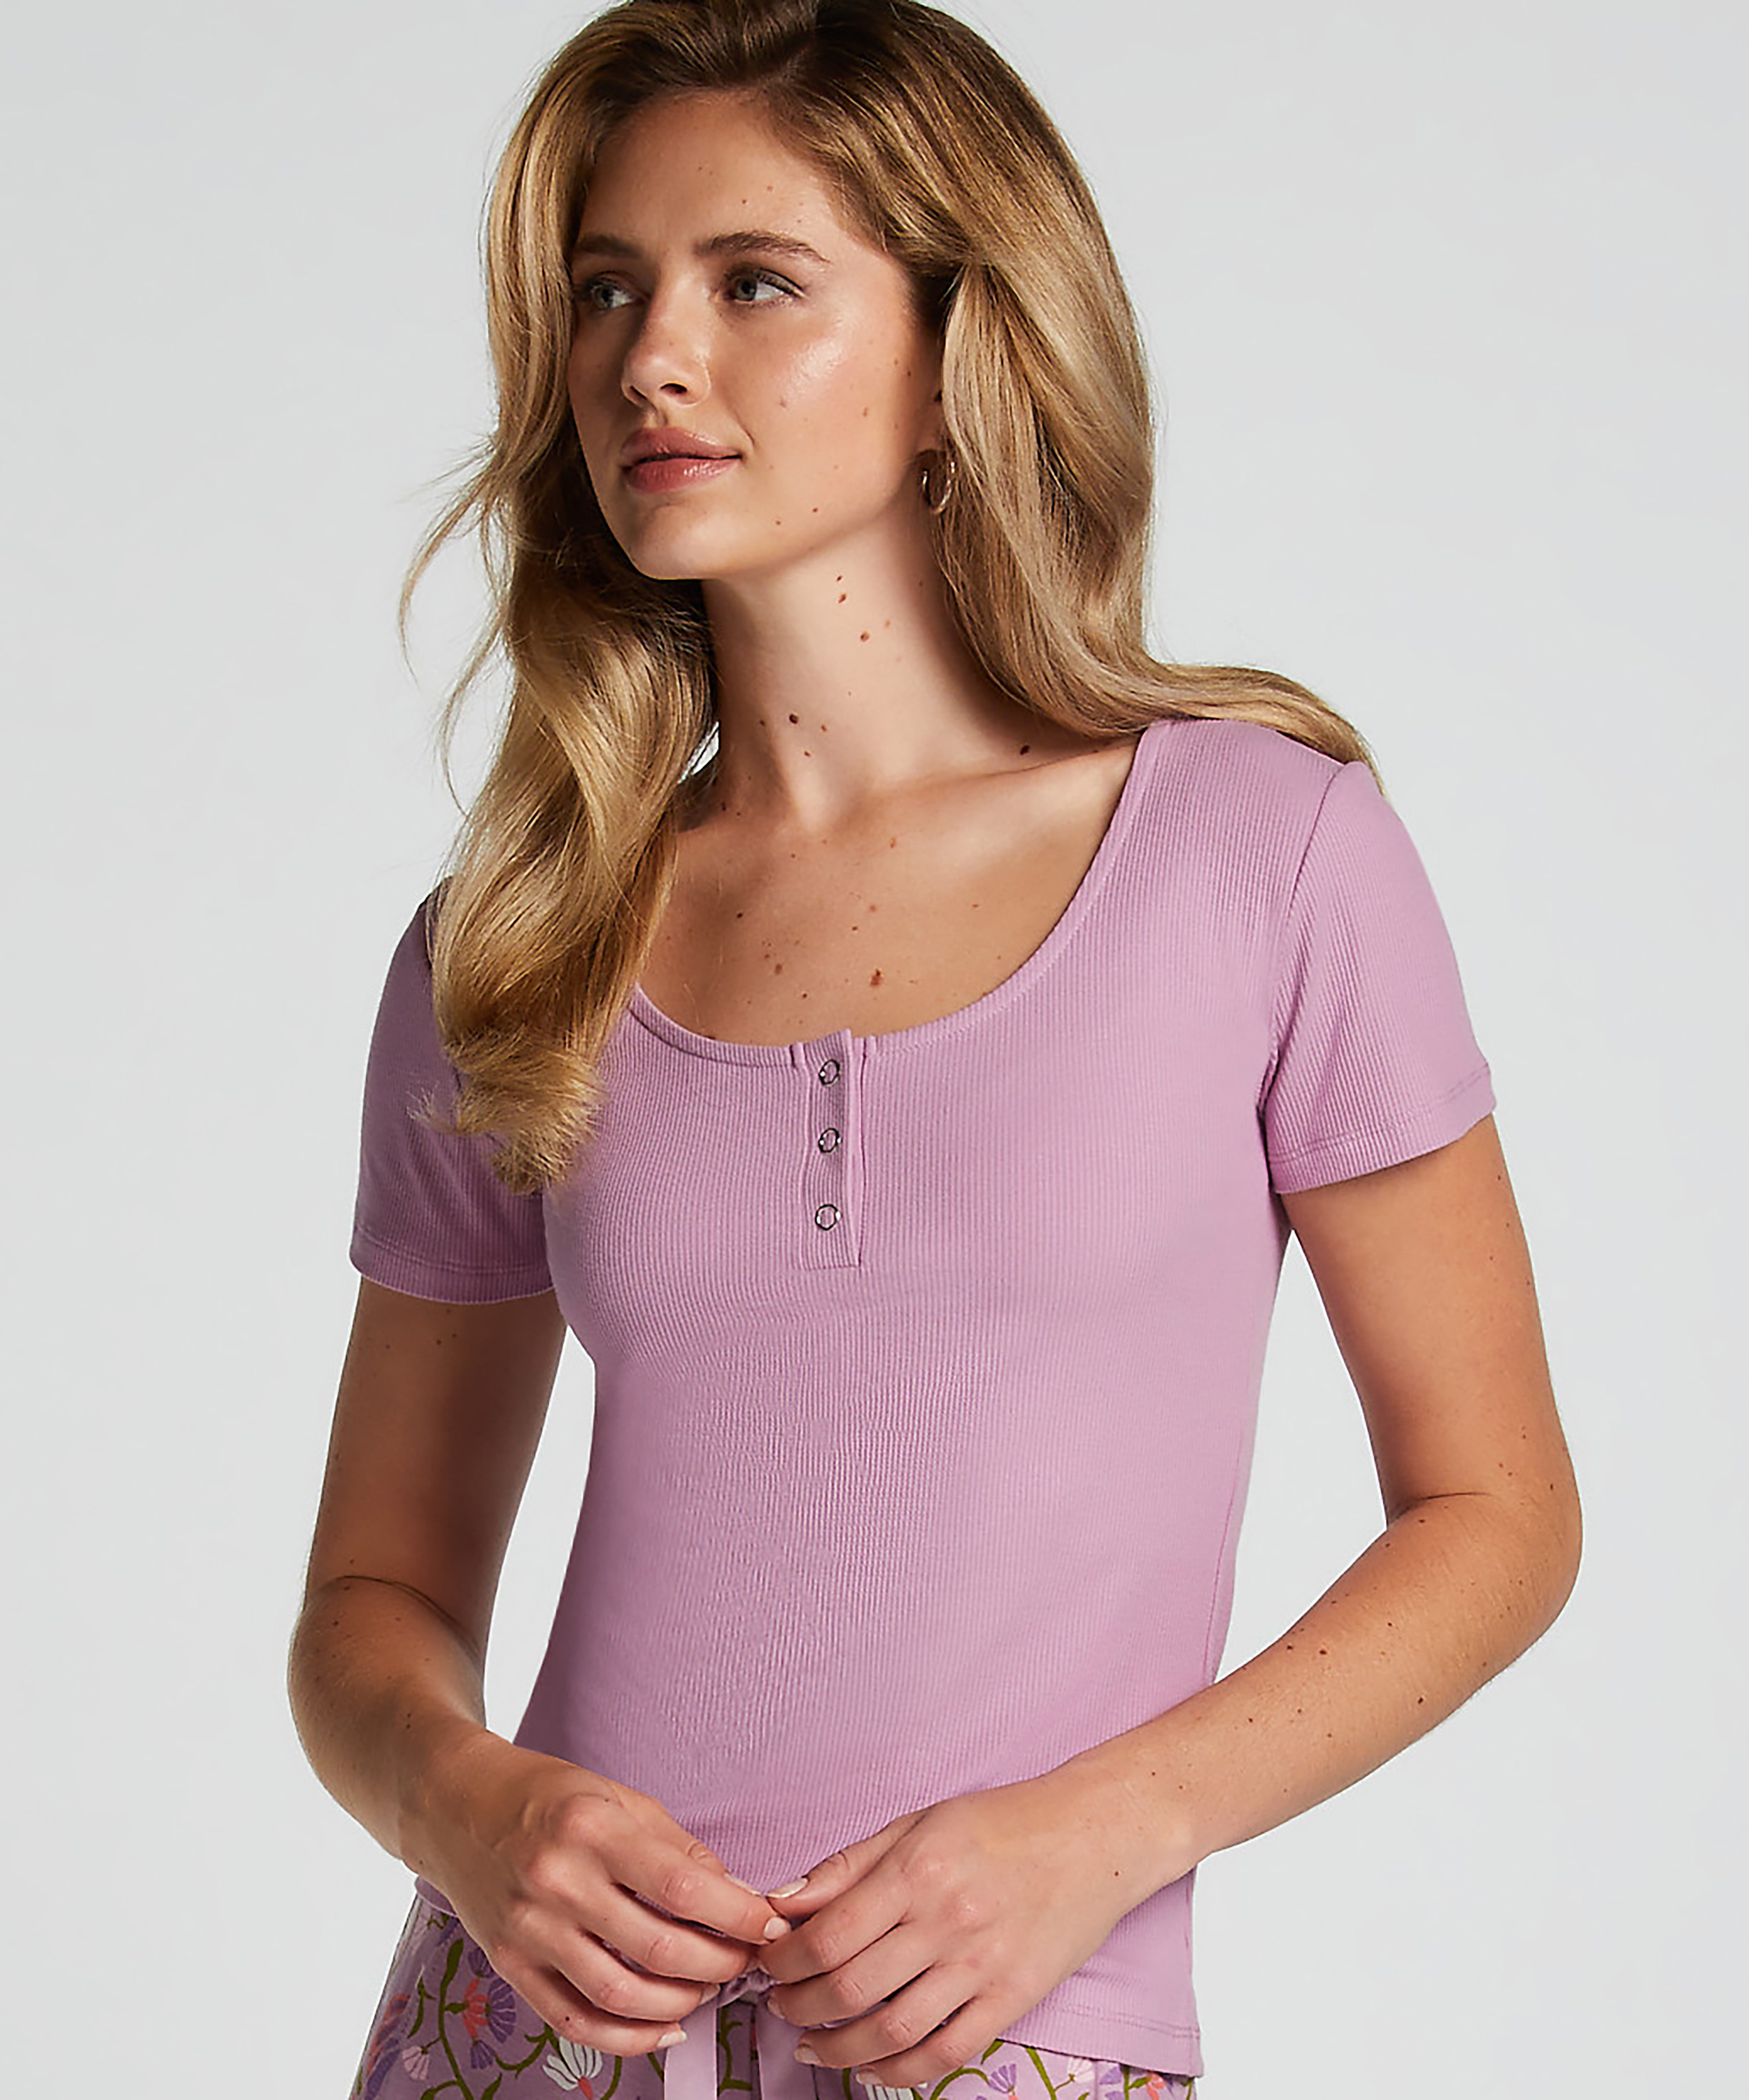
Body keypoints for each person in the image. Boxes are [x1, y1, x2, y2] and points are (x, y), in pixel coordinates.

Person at [287, 4, 1582, 2098]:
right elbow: (370, 1594)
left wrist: (1100, 1833)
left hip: (1007, 2034)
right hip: (532, 2037)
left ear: (959, 346)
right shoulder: (521, 938)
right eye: (605, 290)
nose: (649, 359)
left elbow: (1497, 1511)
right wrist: (473, 1807)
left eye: (753, 282)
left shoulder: (1263, 855)